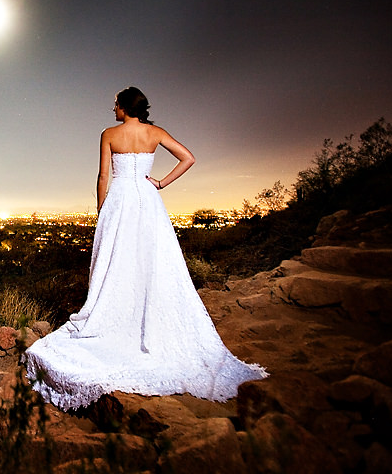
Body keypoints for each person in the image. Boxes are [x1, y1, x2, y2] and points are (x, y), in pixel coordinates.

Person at [23, 87, 267, 410]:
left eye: (115, 104)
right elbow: (188, 158)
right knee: (152, 263)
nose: (113, 109)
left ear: (124, 107)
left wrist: (102, 214)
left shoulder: (109, 134)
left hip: (120, 203)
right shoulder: (155, 133)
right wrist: (161, 183)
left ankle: (120, 318)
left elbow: (102, 177)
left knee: (117, 265)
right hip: (149, 203)